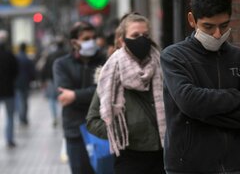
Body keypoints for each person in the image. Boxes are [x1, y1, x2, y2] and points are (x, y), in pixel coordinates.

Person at [160, 0, 240, 174]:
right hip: (188, 168)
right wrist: (235, 97)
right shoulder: (174, 57)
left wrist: (204, 114)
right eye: (208, 26)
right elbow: (189, 102)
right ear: (192, 20)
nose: (217, 34)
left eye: (224, 25)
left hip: (234, 167)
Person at [86, 13, 166, 174]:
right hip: (130, 158)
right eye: (135, 35)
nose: (142, 39)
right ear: (122, 40)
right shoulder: (111, 73)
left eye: (145, 35)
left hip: (165, 155)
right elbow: (92, 121)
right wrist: (123, 132)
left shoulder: (163, 65)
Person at [53, 21, 106, 174]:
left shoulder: (104, 61)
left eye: (94, 37)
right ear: (74, 42)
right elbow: (64, 96)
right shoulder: (61, 64)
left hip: (101, 129)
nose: (91, 41)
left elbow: (105, 92)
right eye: (86, 38)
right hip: (75, 131)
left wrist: (75, 95)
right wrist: (93, 93)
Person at [41, 39, 68, 127]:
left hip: (52, 81)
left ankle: (54, 117)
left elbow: (45, 68)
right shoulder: (67, 54)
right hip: (64, 81)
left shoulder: (51, 55)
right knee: (63, 98)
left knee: (52, 99)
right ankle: (63, 116)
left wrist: (43, 80)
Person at [0, 30, 18, 148]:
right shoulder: (10, 55)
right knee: (10, 116)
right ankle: (9, 139)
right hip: (9, 90)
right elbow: (16, 71)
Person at [15, 42, 35, 126]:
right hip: (26, 82)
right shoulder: (27, 59)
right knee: (25, 101)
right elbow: (32, 72)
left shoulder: (15, 58)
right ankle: (24, 118)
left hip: (16, 82)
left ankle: (21, 117)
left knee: (19, 100)